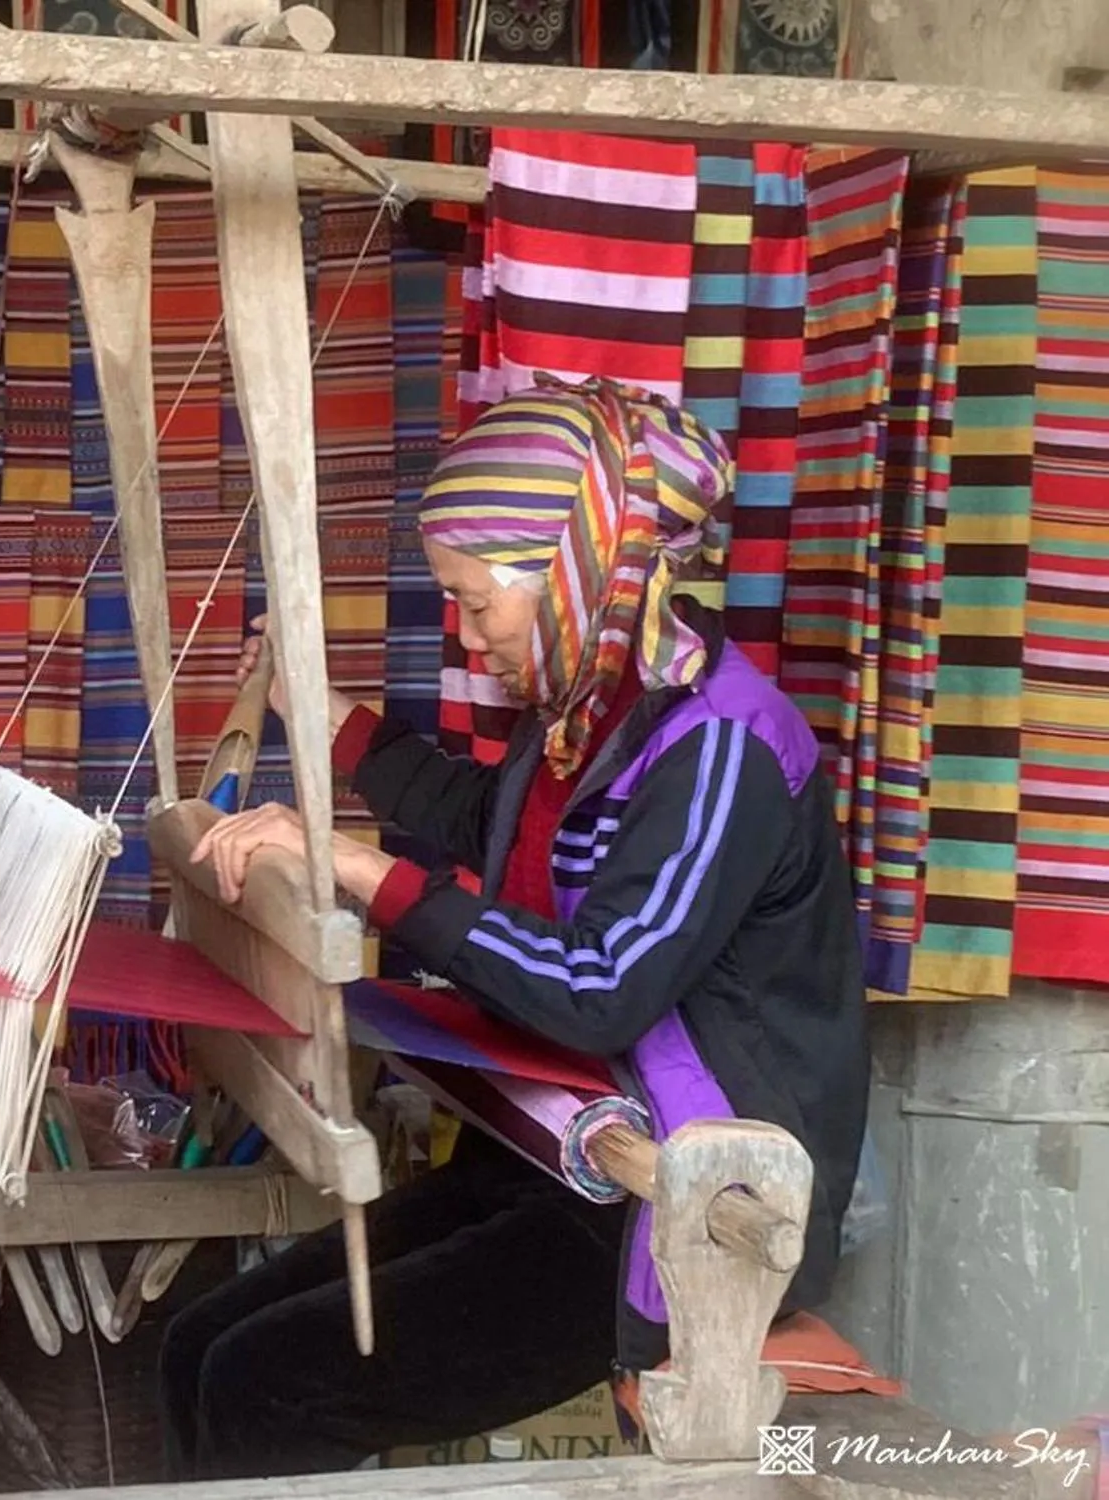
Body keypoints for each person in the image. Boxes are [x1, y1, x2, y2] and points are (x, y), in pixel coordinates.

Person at [157, 376, 869, 1478]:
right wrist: (334, 725)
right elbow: (492, 825)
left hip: (667, 1205)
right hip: (556, 1143)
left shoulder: (723, 750)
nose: (466, 632)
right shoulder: (592, 719)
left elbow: (602, 988)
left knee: (263, 1382)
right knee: (198, 1344)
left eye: (477, 602)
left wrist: (354, 865)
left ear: (580, 571)